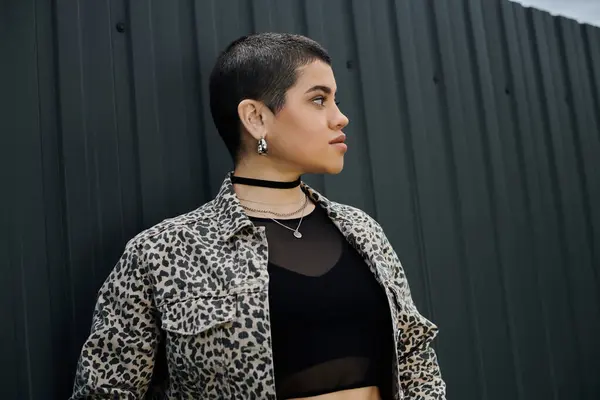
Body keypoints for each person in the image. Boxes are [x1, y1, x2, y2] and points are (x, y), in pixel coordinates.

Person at [70, 32, 446, 400]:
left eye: (336, 100)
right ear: (255, 118)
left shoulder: (362, 232)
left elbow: (415, 358)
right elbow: (105, 390)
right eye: (319, 100)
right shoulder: (163, 252)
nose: (340, 118)